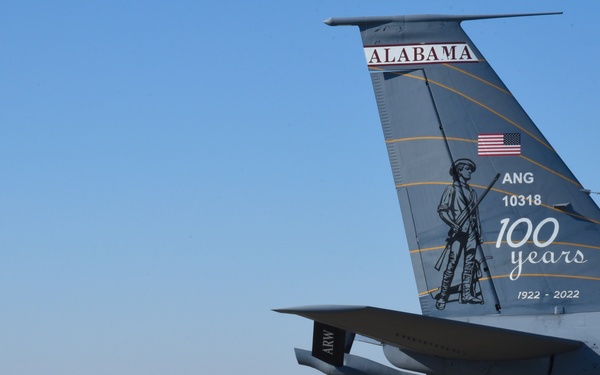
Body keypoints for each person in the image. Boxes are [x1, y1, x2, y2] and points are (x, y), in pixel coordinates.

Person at [435, 158, 482, 310]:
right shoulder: (451, 189)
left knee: (469, 265)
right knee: (451, 265)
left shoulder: (473, 192)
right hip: (458, 232)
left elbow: (476, 214)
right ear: (459, 171)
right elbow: (442, 210)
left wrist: (478, 231)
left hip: (471, 232)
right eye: (467, 169)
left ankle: (466, 294)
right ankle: (443, 296)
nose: (469, 172)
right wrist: (453, 224)